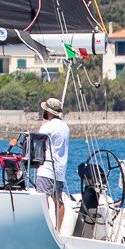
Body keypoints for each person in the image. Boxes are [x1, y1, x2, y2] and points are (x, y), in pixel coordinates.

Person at [31, 95, 71, 230]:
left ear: (48, 111)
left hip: (46, 169)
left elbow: (37, 146)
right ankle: (57, 230)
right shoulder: (65, 127)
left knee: (43, 200)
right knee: (58, 200)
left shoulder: (47, 127)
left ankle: (46, 229)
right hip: (60, 170)